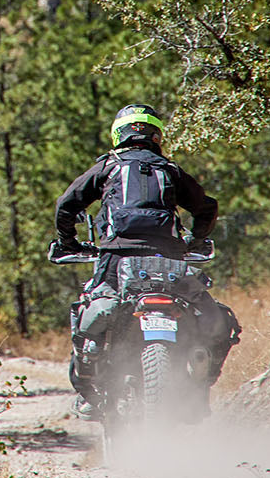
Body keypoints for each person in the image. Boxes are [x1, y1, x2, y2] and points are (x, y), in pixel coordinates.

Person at [52, 103, 239, 419]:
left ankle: (89, 396)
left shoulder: (108, 167)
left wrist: (69, 242)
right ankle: (199, 389)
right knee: (217, 319)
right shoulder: (170, 170)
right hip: (170, 262)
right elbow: (206, 208)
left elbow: (66, 206)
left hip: (115, 258)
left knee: (89, 314)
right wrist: (195, 241)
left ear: (118, 135)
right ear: (155, 135)